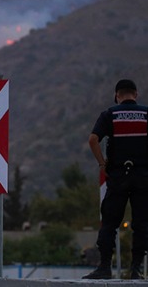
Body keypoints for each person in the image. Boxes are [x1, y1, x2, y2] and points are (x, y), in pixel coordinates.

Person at [83, 79, 148, 280]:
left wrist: (102, 164)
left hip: (118, 176)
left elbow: (93, 139)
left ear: (117, 95)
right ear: (135, 94)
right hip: (143, 178)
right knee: (142, 224)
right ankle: (136, 269)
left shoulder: (110, 114)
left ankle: (104, 267)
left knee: (110, 223)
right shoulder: (146, 114)